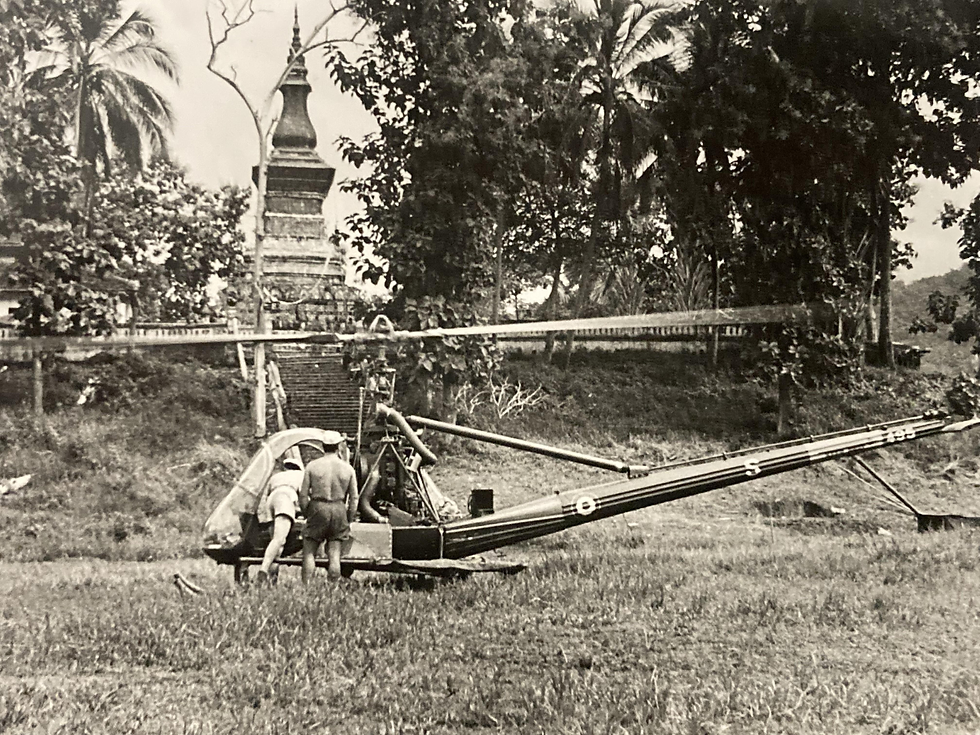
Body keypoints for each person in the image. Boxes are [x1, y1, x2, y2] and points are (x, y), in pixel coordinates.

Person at [299, 431, 358, 583]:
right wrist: (349, 518)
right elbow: (354, 498)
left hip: (318, 506)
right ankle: (333, 587)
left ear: (322, 446)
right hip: (339, 508)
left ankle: (307, 587)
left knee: (309, 552)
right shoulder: (348, 469)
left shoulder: (312, 466)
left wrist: (307, 513)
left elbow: (303, 495)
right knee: (334, 553)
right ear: (338, 446)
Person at [255, 458, 304, 585]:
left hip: (271, 501)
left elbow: (264, 496)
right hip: (285, 498)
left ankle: (272, 581)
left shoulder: (276, 477)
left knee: (277, 545)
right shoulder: (301, 475)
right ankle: (263, 571)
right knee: (278, 540)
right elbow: (303, 497)